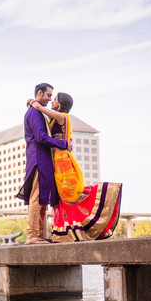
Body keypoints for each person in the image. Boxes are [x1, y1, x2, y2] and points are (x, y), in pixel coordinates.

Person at [28, 93, 122, 242]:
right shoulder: (53, 118)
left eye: (55, 98)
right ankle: (70, 232)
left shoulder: (63, 116)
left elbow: (39, 108)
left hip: (63, 162)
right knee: (64, 198)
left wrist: (33, 102)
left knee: (70, 195)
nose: (52, 101)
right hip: (56, 162)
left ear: (61, 104)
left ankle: (105, 200)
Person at [16, 83, 72, 244]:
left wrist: (32, 102)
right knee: (36, 198)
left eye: (51, 97)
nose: (49, 99)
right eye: (48, 95)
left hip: (43, 160)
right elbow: (40, 137)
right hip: (38, 159)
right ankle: (33, 235)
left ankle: (39, 235)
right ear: (39, 93)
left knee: (42, 199)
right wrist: (64, 144)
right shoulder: (34, 112)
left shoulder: (38, 111)